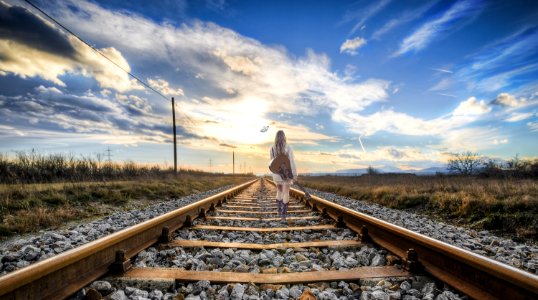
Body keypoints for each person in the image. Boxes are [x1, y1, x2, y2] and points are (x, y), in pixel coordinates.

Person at [269, 130, 297, 220]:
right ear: (284, 137)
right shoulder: (288, 147)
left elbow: (272, 162)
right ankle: (283, 215)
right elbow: (291, 162)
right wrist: (294, 174)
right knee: (286, 192)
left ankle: (279, 211)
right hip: (287, 173)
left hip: (277, 174)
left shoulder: (272, 148)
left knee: (279, 191)